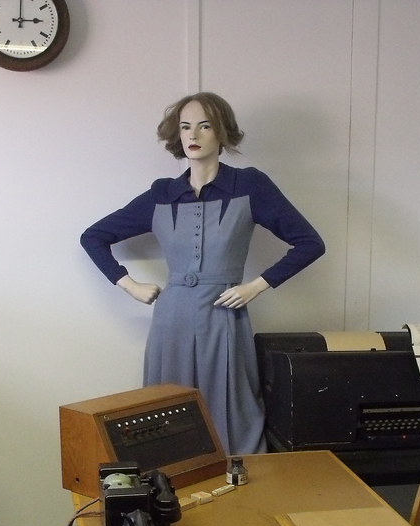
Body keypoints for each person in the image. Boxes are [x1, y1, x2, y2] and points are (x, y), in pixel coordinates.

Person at [81, 93, 325, 455]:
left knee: (231, 407)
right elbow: (94, 236)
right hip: (171, 317)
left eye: (205, 125)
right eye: (185, 127)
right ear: (176, 136)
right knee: (167, 411)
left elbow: (310, 242)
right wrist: (129, 285)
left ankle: (238, 491)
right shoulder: (162, 194)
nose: (193, 134)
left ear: (221, 132)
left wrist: (256, 286)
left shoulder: (249, 185)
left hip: (224, 312)